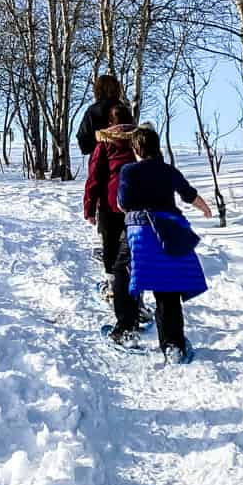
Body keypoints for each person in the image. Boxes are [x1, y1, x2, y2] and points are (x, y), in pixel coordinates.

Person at [117, 125, 213, 361]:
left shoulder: (129, 171)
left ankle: (126, 331)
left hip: (139, 232)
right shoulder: (168, 170)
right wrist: (206, 209)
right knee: (167, 286)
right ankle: (173, 346)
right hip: (168, 231)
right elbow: (188, 194)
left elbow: (123, 203)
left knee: (123, 274)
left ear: (136, 148)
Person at [83, 102, 141, 339]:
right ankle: (136, 307)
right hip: (137, 208)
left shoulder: (104, 144)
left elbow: (95, 177)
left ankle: (120, 311)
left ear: (109, 123)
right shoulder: (140, 141)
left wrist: (89, 207)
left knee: (112, 255)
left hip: (109, 206)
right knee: (131, 259)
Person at [76, 72, 124, 160]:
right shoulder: (124, 110)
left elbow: (83, 141)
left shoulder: (93, 111)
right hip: (123, 161)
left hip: (100, 161)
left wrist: (98, 145)